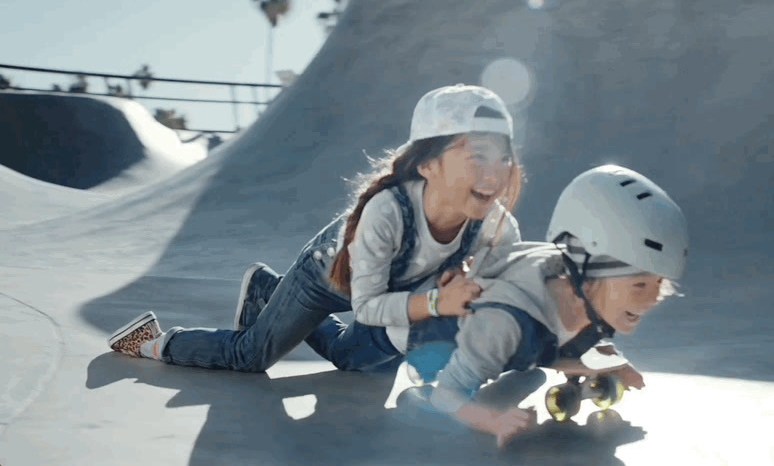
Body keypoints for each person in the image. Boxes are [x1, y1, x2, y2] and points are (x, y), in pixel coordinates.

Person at [107, 84, 524, 374]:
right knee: (249, 357)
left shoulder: (498, 229)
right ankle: (152, 340)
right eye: (477, 155)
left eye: (503, 157)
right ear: (426, 165)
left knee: (355, 364)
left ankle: (267, 288)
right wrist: (436, 304)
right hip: (327, 276)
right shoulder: (388, 213)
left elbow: (517, 299)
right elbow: (368, 307)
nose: (494, 173)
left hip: (395, 292)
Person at [398, 164, 689, 448]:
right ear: (587, 272)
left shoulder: (586, 294)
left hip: (507, 342)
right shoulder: (504, 323)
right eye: (639, 285)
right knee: (422, 402)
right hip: (423, 341)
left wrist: (611, 361)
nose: (652, 300)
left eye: (658, 285)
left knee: (532, 371)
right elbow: (447, 396)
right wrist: (493, 422)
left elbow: (559, 333)